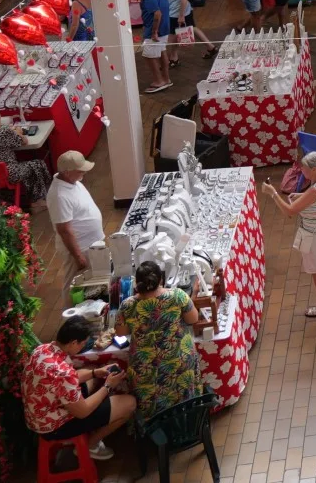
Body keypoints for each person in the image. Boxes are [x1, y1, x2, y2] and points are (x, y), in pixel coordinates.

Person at [22, 316, 137, 461]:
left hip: (40, 415)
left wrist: (96, 372)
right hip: (54, 427)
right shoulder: (62, 372)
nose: (84, 346)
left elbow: (69, 379)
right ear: (73, 342)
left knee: (91, 374)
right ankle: (90, 445)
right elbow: (82, 412)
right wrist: (108, 386)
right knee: (130, 403)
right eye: (83, 343)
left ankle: (95, 424)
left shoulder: (43, 349)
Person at [114, 260, 206, 421]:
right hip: (179, 361)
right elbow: (193, 319)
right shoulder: (177, 295)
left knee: (149, 394)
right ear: (161, 280)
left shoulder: (127, 305)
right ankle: (187, 420)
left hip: (145, 367)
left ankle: (154, 426)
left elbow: (121, 332)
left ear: (137, 283)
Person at [263, 150, 316, 317]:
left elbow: (290, 212)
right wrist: (301, 196)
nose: (300, 170)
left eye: (304, 168)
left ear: (314, 170)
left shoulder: (314, 191)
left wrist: (273, 194)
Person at [50, 150, 106, 270]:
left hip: (92, 244)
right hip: (82, 249)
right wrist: (78, 256)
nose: (84, 172)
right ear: (67, 173)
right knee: (75, 283)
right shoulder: (59, 196)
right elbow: (64, 230)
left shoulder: (72, 181)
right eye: (80, 170)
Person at [0, 116, 51, 207]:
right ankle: (37, 201)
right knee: (37, 164)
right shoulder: (3, 131)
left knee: (25, 165)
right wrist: (18, 132)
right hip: (10, 173)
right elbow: (24, 141)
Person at [132, 0, 172, 93]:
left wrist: (154, 31)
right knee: (162, 51)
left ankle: (159, 81)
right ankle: (166, 78)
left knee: (149, 56)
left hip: (156, 30)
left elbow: (157, 14)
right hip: (165, 27)